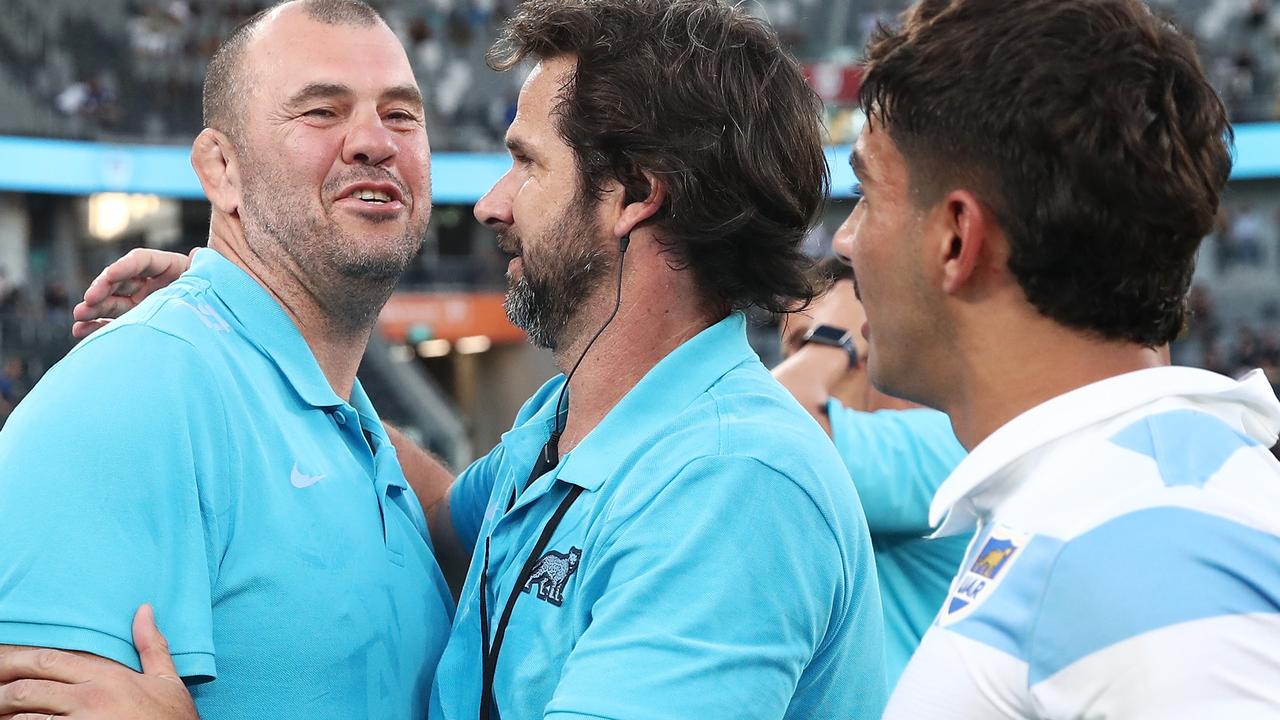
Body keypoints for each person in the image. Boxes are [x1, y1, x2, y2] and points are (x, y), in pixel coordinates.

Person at [4, 0, 890, 718]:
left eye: (525, 165)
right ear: (222, 172)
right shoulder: (564, 430)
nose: (494, 203)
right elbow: (440, 508)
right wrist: (255, 333)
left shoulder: (732, 481)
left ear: (633, 197)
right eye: (321, 111)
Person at [0, 1, 452, 718]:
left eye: (401, 115)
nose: (373, 141)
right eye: (322, 111)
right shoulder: (136, 393)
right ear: (221, 168)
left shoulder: (345, 423)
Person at [841, 0, 1280, 717]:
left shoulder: (1152, 540)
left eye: (865, 194)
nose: (843, 240)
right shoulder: (1108, 498)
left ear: (956, 238)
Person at [773, 257, 968, 690]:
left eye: (824, 348)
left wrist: (830, 340)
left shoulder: (946, 440)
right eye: (795, 351)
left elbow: (768, 427)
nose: (803, 365)